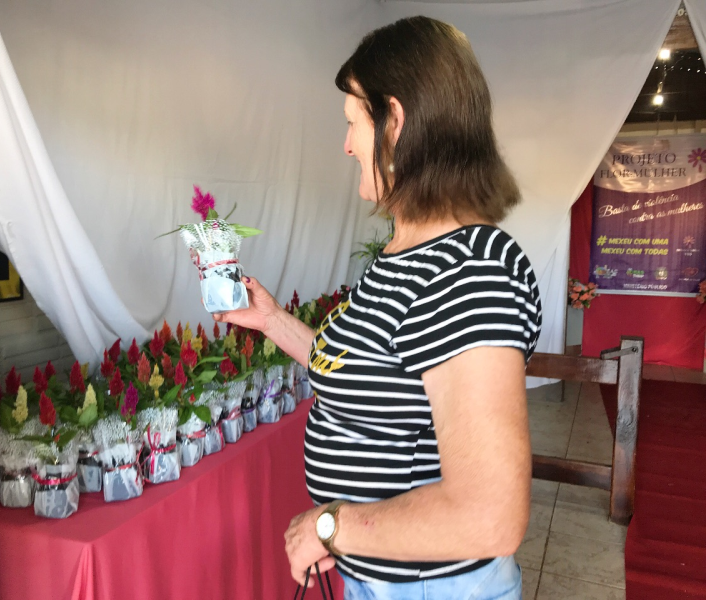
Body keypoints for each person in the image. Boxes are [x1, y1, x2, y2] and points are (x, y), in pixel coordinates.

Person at [214, 16, 541, 599]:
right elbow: (365, 370)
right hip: (385, 577)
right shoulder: (409, 252)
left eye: (353, 122)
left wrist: (331, 527)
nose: (345, 145)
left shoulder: (466, 271)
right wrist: (271, 321)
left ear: (396, 120)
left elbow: (489, 514)